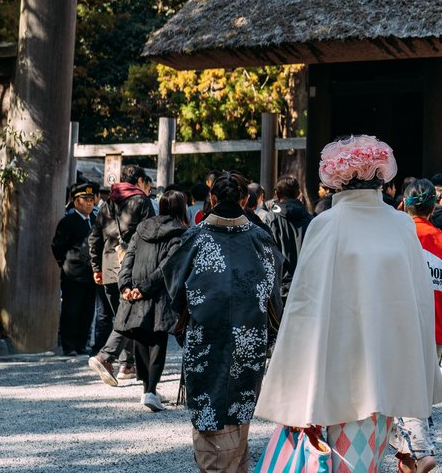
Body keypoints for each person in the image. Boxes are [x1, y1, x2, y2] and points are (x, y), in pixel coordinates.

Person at [256, 135, 442, 473]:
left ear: (336, 181)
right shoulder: (401, 224)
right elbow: (418, 300)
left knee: (348, 462)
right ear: (381, 179)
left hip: (335, 366)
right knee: (366, 459)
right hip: (389, 363)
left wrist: (295, 385)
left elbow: (304, 304)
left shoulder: (326, 224)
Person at [165, 174, 283, 472]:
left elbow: (175, 287)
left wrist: (185, 319)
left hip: (206, 336)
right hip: (249, 339)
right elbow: (274, 294)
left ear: (213, 199)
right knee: (238, 412)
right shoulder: (261, 239)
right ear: (245, 201)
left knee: (209, 410)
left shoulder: (194, 237)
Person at [391, 178, 442, 473]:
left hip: (401, 321)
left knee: (400, 389)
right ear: (434, 207)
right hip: (437, 326)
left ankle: (420, 451)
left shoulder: (396, 236)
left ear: (403, 204)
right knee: (418, 389)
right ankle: (409, 460)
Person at [116, 189, 187, 412]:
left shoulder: (142, 228)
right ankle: (150, 390)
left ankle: (147, 389)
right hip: (157, 292)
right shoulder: (178, 233)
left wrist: (126, 285)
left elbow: (128, 257)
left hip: (136, 288)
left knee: (140, 337)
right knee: (157, 341)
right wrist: (143, 289)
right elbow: (166, 266)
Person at [88, 164, 154, 385]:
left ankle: (127, 365)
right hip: (130, 266)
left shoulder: (108, 202)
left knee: (122, 316)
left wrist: (96, 267)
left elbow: (95, 236)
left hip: (108, 266)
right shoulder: (141, 201)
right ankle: (106, 357)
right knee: (130, 317)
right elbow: (148, 235)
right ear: (138, 181)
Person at [51, 182, 99, 356]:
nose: (89, 203)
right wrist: (64, 263)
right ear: (76, 201)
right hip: (73, 272)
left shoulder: (95, 220)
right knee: (72, 310)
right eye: (85, 199)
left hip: (92, 273)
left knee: (87, 310)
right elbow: (57, 246)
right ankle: (69, 345)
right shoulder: (67, 222)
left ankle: (81, 343)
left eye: (91, 199)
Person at [262, 175, 309, 300]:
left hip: (280, 287)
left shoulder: (271, 219)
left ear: (276, 194)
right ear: (298, 193)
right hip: (308, 285)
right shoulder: (311, 219)